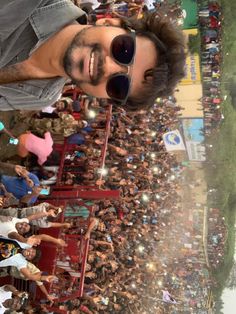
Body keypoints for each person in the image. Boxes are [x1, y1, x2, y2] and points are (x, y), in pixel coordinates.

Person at [0, 0, 186, 111]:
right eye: (124, 49)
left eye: (119, 86)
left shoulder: (42, 98)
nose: (108, 67)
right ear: (110, 21)